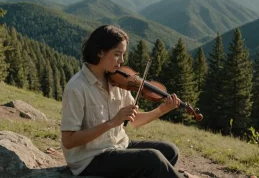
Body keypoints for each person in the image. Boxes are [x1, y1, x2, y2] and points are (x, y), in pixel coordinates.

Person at [60, 25, 199, 178]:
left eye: (123, 54)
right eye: (117, 54)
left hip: (118, 145)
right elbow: (69, 140)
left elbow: (134, 120)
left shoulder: (118, 80)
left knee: (170, 151)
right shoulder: (77, 87)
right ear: (100, 52)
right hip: (91, 158)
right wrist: (113, 122)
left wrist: (162, 109)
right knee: (153, 159)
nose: (122, 61)